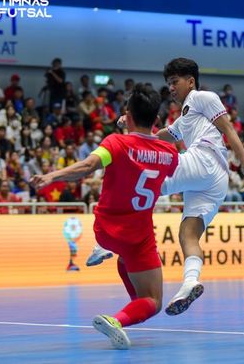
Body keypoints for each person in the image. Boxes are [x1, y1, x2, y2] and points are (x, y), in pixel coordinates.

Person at [88, 58, 244, 315]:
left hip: (206, 160)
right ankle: (190, 281)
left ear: (191, 81)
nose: (171, 88)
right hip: (215, 181)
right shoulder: (186, 115)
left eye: (175, 82)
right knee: (188, 233)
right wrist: (133, 122)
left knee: (146, 181)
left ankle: (107, 243)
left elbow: (227, 128)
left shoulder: (202, 97)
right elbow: (160, 135)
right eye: (168, 83)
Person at [30, 84, 178, 349]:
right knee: (153, 301)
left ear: (127, 115)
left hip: (106, 231)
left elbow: (87, 166)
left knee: (123, 258)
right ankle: (118, 319)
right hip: (139, 237)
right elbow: (151, 144)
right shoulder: (169, 155)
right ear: (156, 119)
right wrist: (138, 125)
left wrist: (50, 177)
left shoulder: (115, 143)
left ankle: (106, 253)